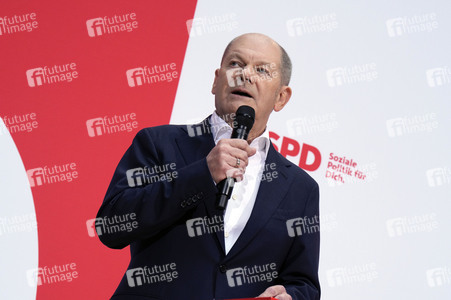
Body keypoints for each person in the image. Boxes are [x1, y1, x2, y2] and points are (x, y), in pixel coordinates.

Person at [97, 33, 320, 300]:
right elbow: (111, 226)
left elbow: (303, 283)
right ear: (216, 81)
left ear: (281, 97)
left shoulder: (300, 188)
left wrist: (291, 297)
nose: (244, 75)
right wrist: (202, 173)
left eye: (261, 70)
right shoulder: (158, 144)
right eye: (235, 64)